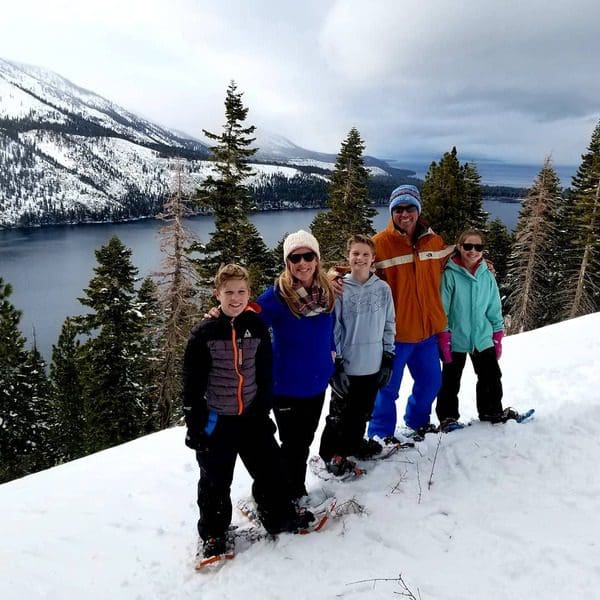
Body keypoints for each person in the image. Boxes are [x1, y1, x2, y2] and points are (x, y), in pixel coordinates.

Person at [182, 264, 313, 560]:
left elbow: (265, 373)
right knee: (215, 481)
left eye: (241, 291)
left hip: (252, 418)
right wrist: (196, 426)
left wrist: (263, 409)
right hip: (218, 420)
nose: (235, 298)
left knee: (271, 471)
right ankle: (214, 533)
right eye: (228, 292)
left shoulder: (255, 327)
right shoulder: (203, 333)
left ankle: (277, 516)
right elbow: (192, 385)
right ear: (217, 294)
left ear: (249, 293)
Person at [367, 185, 454, 442]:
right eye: (398, 209)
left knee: (431, 384)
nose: (404, 214)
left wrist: (480, 261)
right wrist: (333, 277)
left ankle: (418, 423)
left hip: (426, 333)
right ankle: (380, 434)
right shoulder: (379, 244)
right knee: (387, 389)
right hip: (396, 335)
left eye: (410, 208)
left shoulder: (433, 241)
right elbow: (356, 268)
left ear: (418, 210)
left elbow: (452, 260)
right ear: (392, 212)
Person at [257, 230, 336, 500]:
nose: (302, 263)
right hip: (286, 386)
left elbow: (330, 330)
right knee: (293, 444)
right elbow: (246, 320)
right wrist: (219, 313)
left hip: (318, 383)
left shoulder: (327, 292)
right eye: (295, 257)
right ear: (287, 262)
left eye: (307, 256)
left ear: (316, 258)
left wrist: (332, 357)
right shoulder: (277, 297)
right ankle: (285, 492)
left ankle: (289, 489)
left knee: (303, 441)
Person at [318, 234, 396, 476]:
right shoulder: (340, 288)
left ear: (373, 258)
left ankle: (355, 444)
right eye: (355, 254)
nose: (360, 258)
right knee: (340, 413)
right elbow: (335, 327)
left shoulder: (382, 289)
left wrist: (388, 357)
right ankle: (332, 454)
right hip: (348, 363)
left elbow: (389, 324)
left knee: (363, 410)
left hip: (372, 363)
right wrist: (337, 363)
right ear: (348, 257)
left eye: (365, 254)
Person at [435, 230, 518, 429]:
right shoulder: (450, 274)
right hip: (457, 337)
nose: (473, 251)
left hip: (482, 336)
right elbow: (442, 308)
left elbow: (493, 305)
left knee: (491, 377)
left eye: (478, 247)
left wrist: (497, 333)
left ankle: (491, 411)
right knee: (450, 382)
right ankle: (447, 418)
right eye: (468, 246)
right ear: (459, 247)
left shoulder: (486, 275)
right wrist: (444, 334)